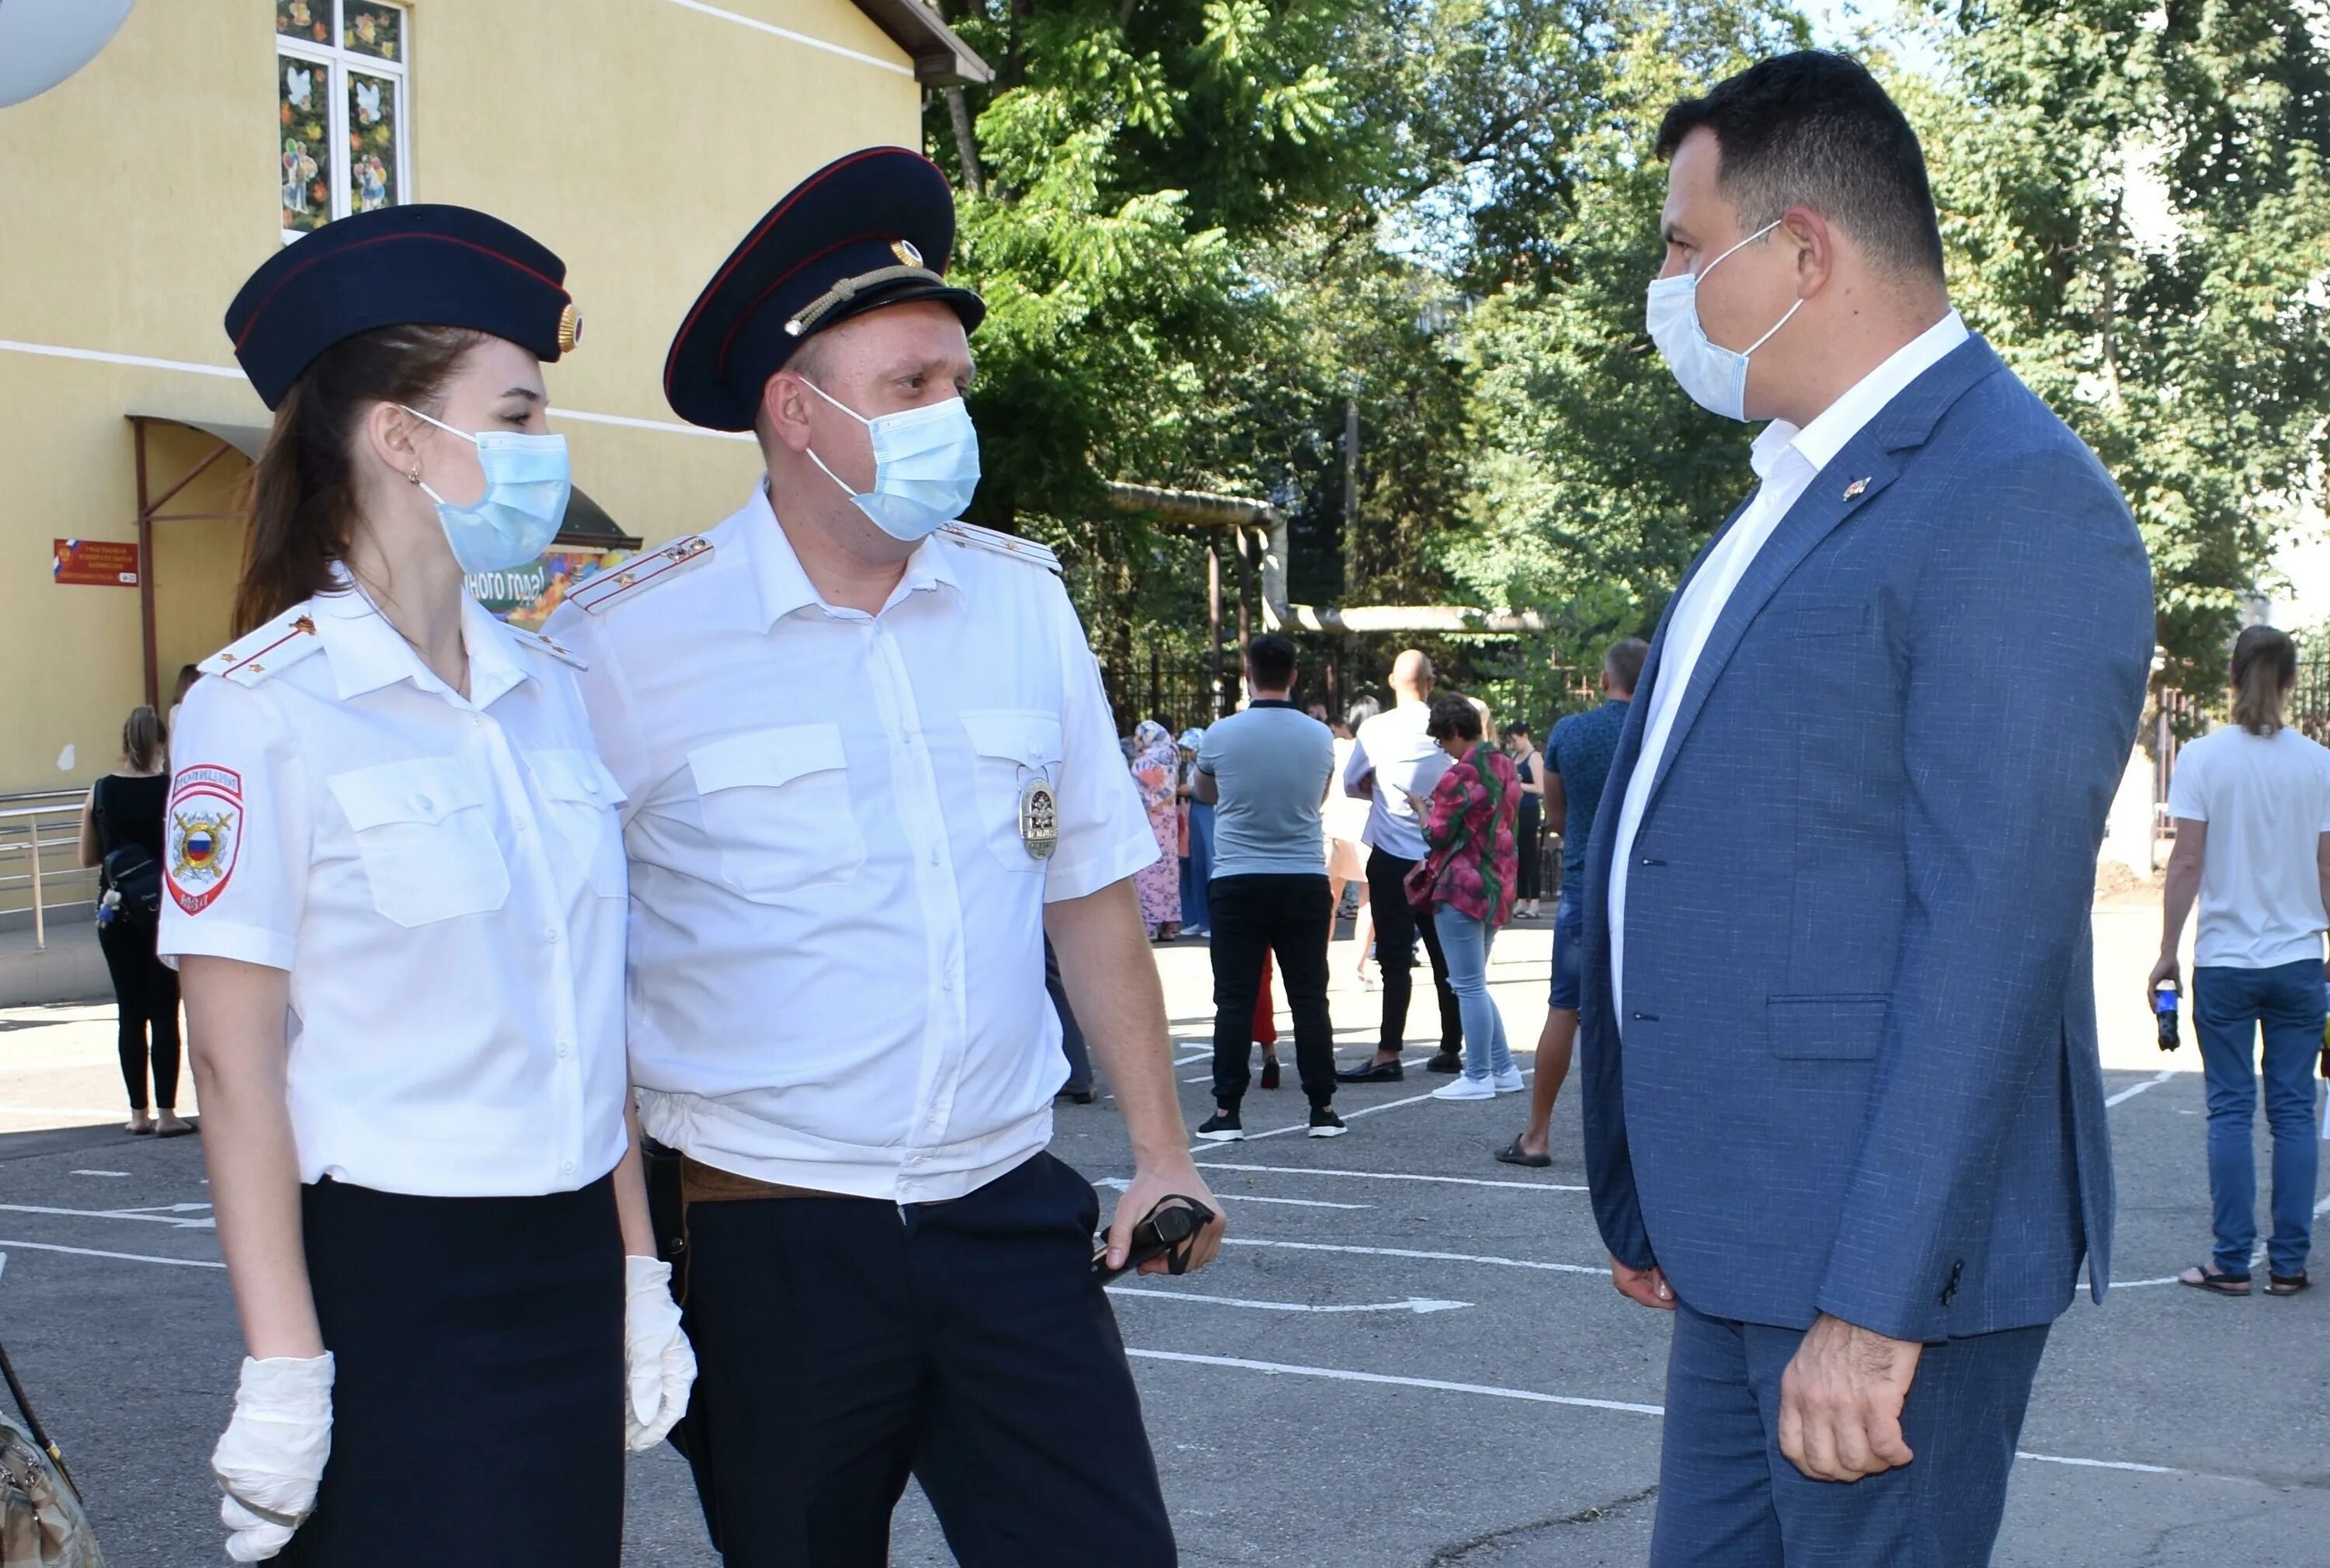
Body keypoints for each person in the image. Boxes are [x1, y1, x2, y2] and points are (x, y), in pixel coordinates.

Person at [544, 146, 1221, 1568]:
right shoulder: (624, 642)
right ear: (797, 412)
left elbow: (1084, 881)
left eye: (955, 382)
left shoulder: (1019, 605)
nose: (950, 414)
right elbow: (572, 978)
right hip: (767, 1234)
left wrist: (1164, 1149)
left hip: (1005, 1212)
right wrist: (623, 1271)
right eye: (913, 386)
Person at [1577, 55, 2152, 1567]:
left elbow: (1992, 933)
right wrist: (1656, 1187)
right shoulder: (1797, 485)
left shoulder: (2012, 497)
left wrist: (1879, 1296)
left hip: (1878, 1275)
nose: (1670, 284)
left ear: (1805, 250)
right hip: (1748, 1237)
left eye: (1689, 247)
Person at [159, 205, 692, 1566]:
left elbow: (586, 1017)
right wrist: (285, 1364)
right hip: (397, 1280)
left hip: (569, 1257)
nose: (542, 453)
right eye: (513, 416)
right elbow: (231, 1063)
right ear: (400, 437)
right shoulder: (263, 705)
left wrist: (636, 1272)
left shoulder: (548, 694)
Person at [2150, 626, 2330, 1299]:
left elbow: (2188, 861)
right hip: (2297, 961)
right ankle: (2288, 1264)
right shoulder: (2319, 763)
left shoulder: (2202, 759)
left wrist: (2168, 952)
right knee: (2293, 1111)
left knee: (2229, 1110)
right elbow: (2327, 866)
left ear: (2232, 679)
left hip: (2225, 961)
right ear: (2288, 683)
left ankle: (2230, 1261)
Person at [1498, 639, 1644, 1169]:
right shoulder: (1661, 729)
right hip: (1646, 891)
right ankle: (1645, 1142)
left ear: (1605, 680)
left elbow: (1556, 817)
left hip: (1585, 886)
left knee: (1566, 1007)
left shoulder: (1570, 733)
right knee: (1647, 1013)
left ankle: (1536, 1135)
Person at [1192, 635, 1344, 1141]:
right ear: (1294, 675)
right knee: (1309, 996)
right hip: (1302, 876)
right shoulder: (1319, 735)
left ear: (1247, 673)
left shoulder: (1221, 733)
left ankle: (1227, 1111)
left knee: (1234, 997)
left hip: (1237, 877)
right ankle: (1322, 1106)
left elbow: (1205, 792)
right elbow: (1319, 798)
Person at [1335, 651, 1465, 1082]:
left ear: (1392, 680)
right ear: (1431, 680)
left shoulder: (1375, 728)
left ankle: (1389, 1051)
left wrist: (1383, 788)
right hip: (1439, 855)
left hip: (1392, 856)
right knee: (1446, 955)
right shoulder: (1448, 726)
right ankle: (1451, 1047)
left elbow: (1352, 783)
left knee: (1393, 957)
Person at [76, 704, 189, 1138]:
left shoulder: (100, 791)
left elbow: (88, 857)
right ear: (161, 744)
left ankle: (137, 1114)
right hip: (164, 912)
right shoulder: (173, 790)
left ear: (124, 742)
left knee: (130, 1012)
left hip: (116, 912)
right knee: (164, 1010)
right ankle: (167, 1114)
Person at [1409, 696, 1525, 1103]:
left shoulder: (1459, 776)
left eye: (1443, 742)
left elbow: (1437, 835)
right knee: (1473, 983)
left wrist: (1421, 809)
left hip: (1461, 886)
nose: (1445, 750)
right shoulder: (1506, 765)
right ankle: (1503, 1068)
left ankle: (1477, 1075)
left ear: (1455, 732)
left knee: (1467, 984)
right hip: (1498, 883)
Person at [1326, 697, 1379, 984]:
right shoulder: (1377, 750)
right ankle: (1356, 969)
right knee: (1367, 903)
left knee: (1328, 903)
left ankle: (1318, 965)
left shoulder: (1337, 748)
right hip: (1366, 832)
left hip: (1334, 828)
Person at [1129, 719, 1184, 940]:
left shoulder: (1144, 762)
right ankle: (1170, 924)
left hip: (1147, 823)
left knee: (1147, 871)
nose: (1135, 740)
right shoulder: (1171, 756)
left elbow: (1137, 795)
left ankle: (1149, 925)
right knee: (1169, 872)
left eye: (1138, 735)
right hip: (1168, 824)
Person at [1177, 726, 1214, 937]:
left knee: (1209, 865)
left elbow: (1212, 793)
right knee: (1196, 867)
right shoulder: (1192, 767)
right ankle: (1199, 919)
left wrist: (1190, 791)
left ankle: (1211, 921)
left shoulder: (1209, 766)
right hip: (1194, 817)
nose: (1190, 753)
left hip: (1207, 815)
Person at [1505, 723, 1544, 920]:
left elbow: (1540, 787)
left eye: (1515, 740)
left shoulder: (1534, 757)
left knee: (1530, 856)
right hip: (1515, 810)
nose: (1513, 744)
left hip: (1529, 810)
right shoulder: (1514, 757)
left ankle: (1535, 902)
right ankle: (1521, 900)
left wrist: (1518, 784)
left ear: (1524, 736)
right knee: (1518, 856)